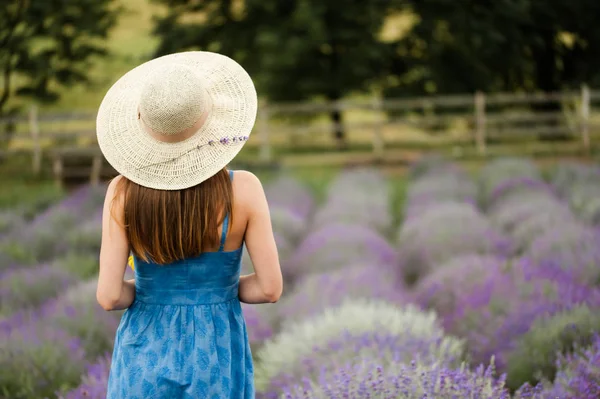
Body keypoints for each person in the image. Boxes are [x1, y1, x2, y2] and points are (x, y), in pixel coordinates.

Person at [95, 51, 283, 398]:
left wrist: (157, 290)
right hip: (215, 350)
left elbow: (109, 296)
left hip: (144, 350)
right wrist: (215, 289)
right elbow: (269, 289)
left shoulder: (121, 192)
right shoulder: (244, 189)